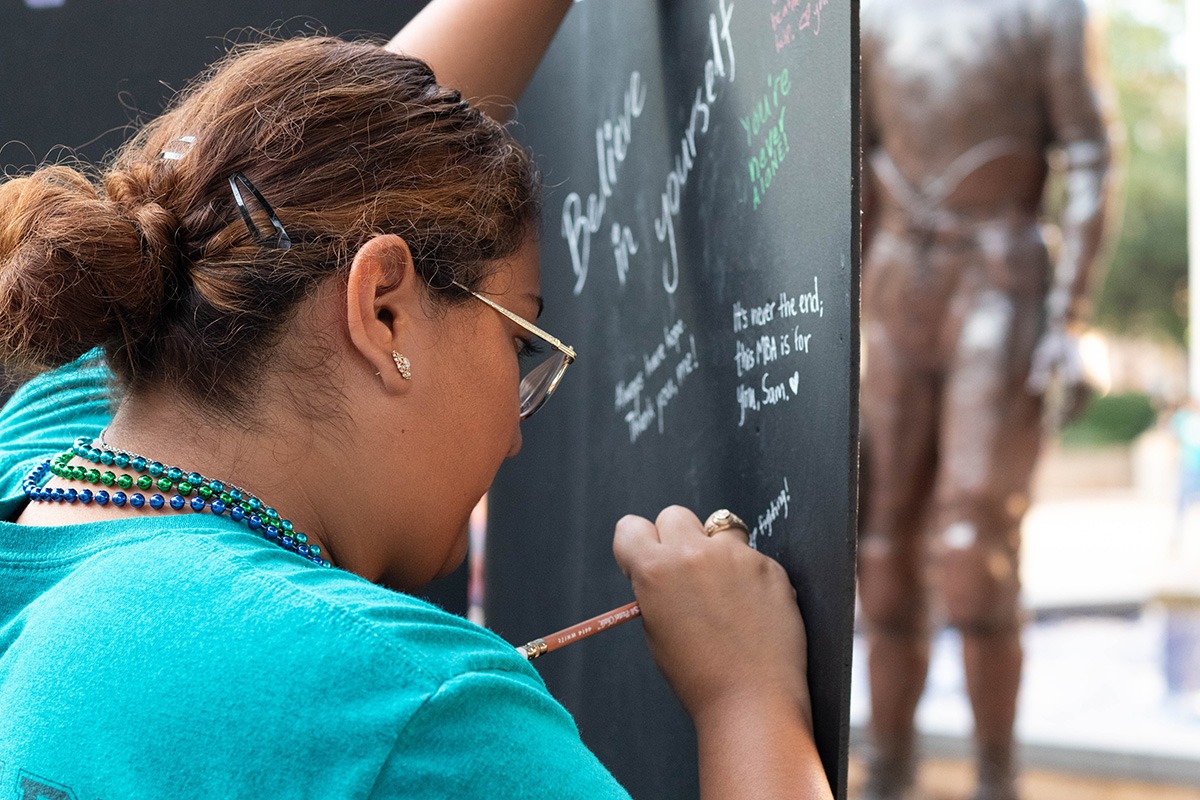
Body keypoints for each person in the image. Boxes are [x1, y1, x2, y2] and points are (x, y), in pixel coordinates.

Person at [0, 2, 833, 798]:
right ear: (382, 307)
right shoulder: (399, 704)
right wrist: (748, 699)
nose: (513, 432)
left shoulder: (52, 456)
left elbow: (313, 168)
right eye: (519, 341)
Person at [858, 0, 1112, 798]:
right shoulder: (869, 17)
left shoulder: (1050, 11)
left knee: (973, 548)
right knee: (883, 547)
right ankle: (888, 767)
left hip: (1000, 276)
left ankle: (997, 774)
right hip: (899, 280)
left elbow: (1093, 152)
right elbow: (854, 161)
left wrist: (1069, 313)